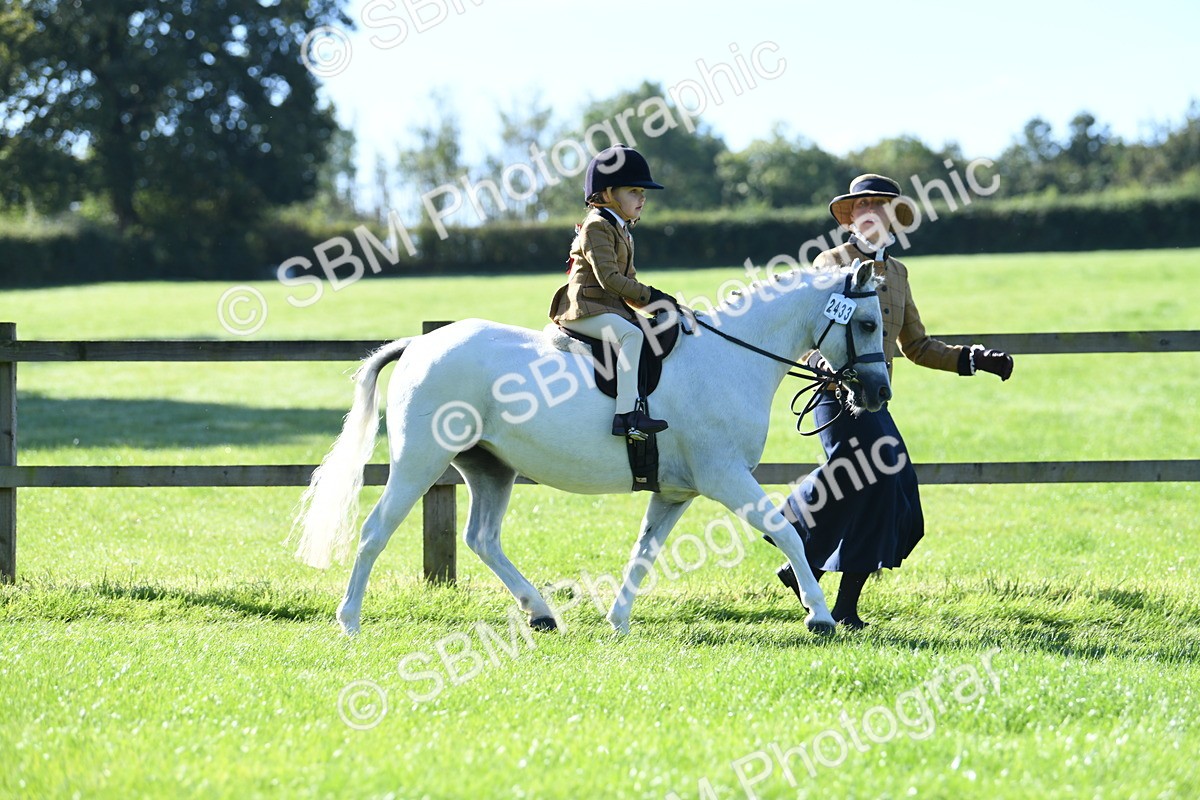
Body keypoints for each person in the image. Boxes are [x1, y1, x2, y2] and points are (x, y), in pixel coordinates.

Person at [775, 173, 1014, 628]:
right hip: (834, 395)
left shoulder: (899, 274)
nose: (871, 213)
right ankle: (804, 552)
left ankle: (828, 587)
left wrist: (973, 358)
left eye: (880, 206)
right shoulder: (832, 263)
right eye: (862, 206)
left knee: (894, 486)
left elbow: (918, 346)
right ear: (850, 218)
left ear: (893, 218)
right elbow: (811, 330)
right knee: (877, 475)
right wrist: (824, 364)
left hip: (875, 399)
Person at [548, 143, 677, 440]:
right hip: (584, 308)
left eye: (643, 193)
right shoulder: (596, 226)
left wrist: (658, 306)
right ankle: (626, 416)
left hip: (608, 308)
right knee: (632, 335)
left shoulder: (622, 230)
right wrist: (654, 297)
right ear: (607, 194)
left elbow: (628, 283)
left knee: (650, 328)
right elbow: (610, 279)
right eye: (634, 191)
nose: (642, 198)